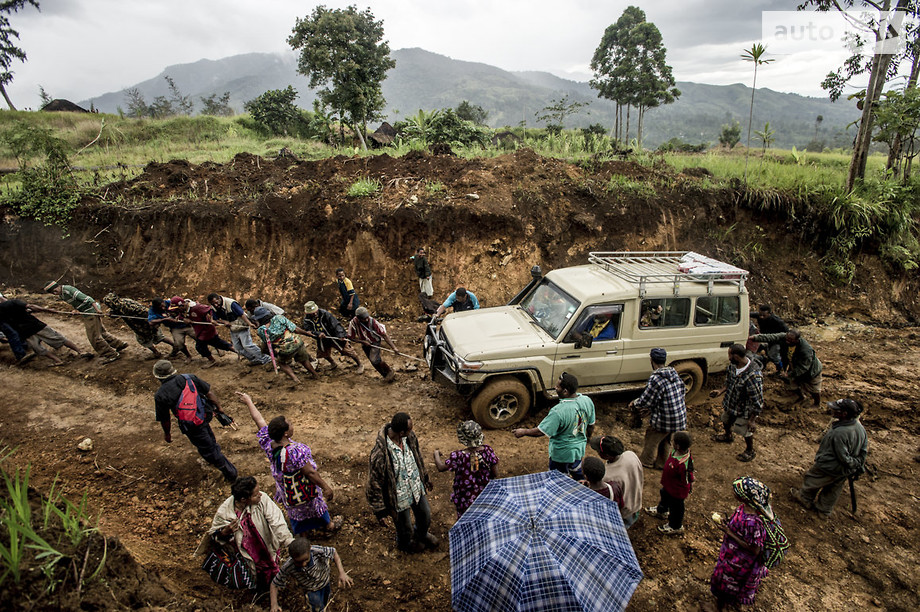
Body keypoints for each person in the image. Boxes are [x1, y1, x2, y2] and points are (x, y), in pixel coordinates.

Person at [237, 392, 343, 535]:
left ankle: (303, 533)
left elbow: (259, 420)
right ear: (285, 433)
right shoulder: (295, 451)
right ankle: (328, 525)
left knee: (295, 510)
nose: (293, 425)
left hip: (288, 489)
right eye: (290, 424)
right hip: (303, 487)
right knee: (313, 504)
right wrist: (325, 487)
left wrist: (249, 402)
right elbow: (310, 472)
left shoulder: (269, 442)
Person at [708, 477, 789, 611]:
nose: (734, 493)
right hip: (736, 557)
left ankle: (719, 608)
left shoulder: (753, 522)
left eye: (737, 492)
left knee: (727, 584)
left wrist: (729, 532)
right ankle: (732, 603)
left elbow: (755, 549)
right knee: (733, 584)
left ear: (744, 498)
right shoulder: (751, 510)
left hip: (739, 561)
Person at [152, 359, 238, 482]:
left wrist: (167, 433)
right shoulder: (189, 378)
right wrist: (219, 408)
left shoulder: (160, 394)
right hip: (204, 415)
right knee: (207, 437)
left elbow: (165, 419)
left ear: (158, 377)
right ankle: (213, 452)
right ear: (172, 370)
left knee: (207, 448)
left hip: (190, 424)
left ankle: (231, 473)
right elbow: (209, 393)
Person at [203, 476, 294, 591]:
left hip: (265, 545)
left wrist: (288, 541)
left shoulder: (263, 500)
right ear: (243, 499)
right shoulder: (225, 513)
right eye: (256, 494)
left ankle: (274, 589)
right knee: (255, 574)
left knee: (270, 565)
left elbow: (277, 521)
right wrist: (224, 532)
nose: (260, 494)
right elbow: (215, 536)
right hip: (246, 553)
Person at [366, 412, 438, 553]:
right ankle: (406, 545)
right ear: (401, 432)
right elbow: (373, 482)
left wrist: (425, 477)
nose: (412, 431)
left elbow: (417, 458)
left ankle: (421, 535)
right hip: (398, 497)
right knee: (404, 527)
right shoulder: (380, 453)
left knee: (425, 516)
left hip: (415, 487)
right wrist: (380, 510)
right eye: (409, 429)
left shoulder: (409, 438)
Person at [790, 398, 868, 517]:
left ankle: (804, 498)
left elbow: (843, 457)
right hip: (844, 469)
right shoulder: (859, 427)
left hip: (831, 465)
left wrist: (853, 463)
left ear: (844, 414)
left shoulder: (839, 433)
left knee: (813, 479)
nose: (832, 410)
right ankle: (823, 510)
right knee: (834, 489)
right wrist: (858, 465)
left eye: (836, 409)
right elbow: (863, 450)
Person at [512, 372, 596, 480]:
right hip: (579, 449)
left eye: (557, 386)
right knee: (578, 474)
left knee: (558, 479)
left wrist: (523, 432)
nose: (555, 388)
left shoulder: (558, 411)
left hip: (561, 454)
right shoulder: (587, 401)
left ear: (565, 391)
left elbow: (540, 431)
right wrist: (587, 439)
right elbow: (591, 425)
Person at [629, 348, 688, 469]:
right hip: (679, 417)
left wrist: (634, 403)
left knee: (652, 436)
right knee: (666, 439)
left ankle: (646, 461)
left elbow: (646, 400)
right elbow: (682, 391)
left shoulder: (656, 378)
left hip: (665, 419)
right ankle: (662, 463)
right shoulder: (674, 373)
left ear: (652, 360)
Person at [44, 280, 127, 364]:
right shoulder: (61, 295)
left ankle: (110, 354)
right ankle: (119, 344)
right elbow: (77, 303)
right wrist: (76, 310)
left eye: (55, 290)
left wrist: (97, 310)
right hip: (86, 312)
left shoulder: (69, 290)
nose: (54, 293)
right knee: (100, 332)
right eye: (52, 292)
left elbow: (89, 299)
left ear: (58, 286)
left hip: (91, 311)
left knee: (94, 336)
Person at [710, 344, 765, 462]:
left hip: (744, 409)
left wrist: (752, 420)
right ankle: (728, 436)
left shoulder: (753, 376)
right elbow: (729, 381)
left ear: (736, 356)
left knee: (745, 431)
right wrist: (720, 391)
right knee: (725, 419)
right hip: (731, 403)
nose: (728, 357)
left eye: (730, 355)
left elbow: (757, 401)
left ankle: (750, 450)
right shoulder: (733, 367)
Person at [433, 421, 499, 517]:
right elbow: (495, 473)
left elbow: (441, 467)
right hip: (485, 496)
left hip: (465, 497)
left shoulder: (458, 456)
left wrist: (436, 454)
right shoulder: (488, 451)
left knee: (466, 519)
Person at [269, 536, 353, 612]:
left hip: (325, 581)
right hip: (311, 590)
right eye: (298, 562)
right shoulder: (289, 566)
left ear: (310, 549)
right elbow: (274, 584)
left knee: (326, 598)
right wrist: (274, 605)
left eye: (306, 560)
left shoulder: (316, 551)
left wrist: (342, 573)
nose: (303, 564)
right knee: (317, 607)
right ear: (292, 558)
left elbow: (333, 552)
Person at [0, 297, 91, 365]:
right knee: (59, 338)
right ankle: (80, 351)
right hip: (35, 326)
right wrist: (47, 310)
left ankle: (57, 360)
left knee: (39, 349)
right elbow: (31, 307)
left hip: (24, 332)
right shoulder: (13, 302)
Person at [751, 328, 822, 406]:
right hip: (794, 365)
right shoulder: (786, 337)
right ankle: (801, 397)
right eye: (787, 338)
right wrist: (755, 338)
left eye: (790, 340)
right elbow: (771, 337)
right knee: (791, 384)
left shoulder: (806, 350)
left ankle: (817, 403)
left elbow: (804, 367)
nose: (787, 341)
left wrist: (789, 374)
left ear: (797, 340)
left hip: (811, 370)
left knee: (813, 389)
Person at [645, 431, 694, 535]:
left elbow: (688, 478)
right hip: (669, 485)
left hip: (677, 492)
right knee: (664, 496)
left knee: (676, 508)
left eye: (674, 442)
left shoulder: (683, 464)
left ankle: (675, 526)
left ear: (678, 446)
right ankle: (662, 511)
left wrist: (688, 488)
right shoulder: (675, 452)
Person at [252, 307, 319, 383]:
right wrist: (306, 333)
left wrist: (276, 353)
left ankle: (295, 379)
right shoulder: (279, 318)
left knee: (281, 363)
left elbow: (268, 344)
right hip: (297, 342)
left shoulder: (261, 330)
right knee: (304, 360)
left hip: (285, 349)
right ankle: (315, 374)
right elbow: (295, 329)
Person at [589, 435, 643, 528]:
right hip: (636, 502)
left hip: (624, 512)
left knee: (619, 530)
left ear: (606, 455)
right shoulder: (630, 455)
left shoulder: (608, 476)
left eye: (598, 451)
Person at [102, 293, 177, 359]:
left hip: (143, 325)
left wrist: (153, 321)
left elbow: (145, 312)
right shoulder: (122, 303)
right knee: (158, 336)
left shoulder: (127, 307)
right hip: (141, 325)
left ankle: (157, 353)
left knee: (146, 339)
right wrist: (111, 314)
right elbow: (116, 312)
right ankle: (174, 346)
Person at [208, 293, 270, 366]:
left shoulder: (231, 303)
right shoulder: (214, 307)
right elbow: (215, 319)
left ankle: (266, 358)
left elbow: (242, 314)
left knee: (247, 345)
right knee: (238, 348)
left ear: (219, 298)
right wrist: (221, 321)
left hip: (241, 326)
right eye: (213, 303)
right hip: (233, 328)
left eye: (216, 302)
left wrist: (249, 323)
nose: (215, 305)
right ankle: (254, 359)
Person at [301, 301, 362, 372]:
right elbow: (309, 331)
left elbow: (335, 324)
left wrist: (341, 335)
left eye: (315, 311)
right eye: (312, 313)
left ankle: (360, 364)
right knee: (323, 353)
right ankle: (333, 363)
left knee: (348, 351)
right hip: (323, 340)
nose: (315, 314)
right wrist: (318, 334)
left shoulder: (325, 314)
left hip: (334, 336)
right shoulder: (307, 320)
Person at [347, 307, 397, 382]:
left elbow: (384, 335)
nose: (366, 320)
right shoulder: (353, 323)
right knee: (373, 361)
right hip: (364, 343)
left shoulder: (372, 321)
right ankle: (385, 376)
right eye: (364, 319)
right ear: (358, 318)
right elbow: (350, 337)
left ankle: (389, 371)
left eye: (367, 317)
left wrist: (394, 348)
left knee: (374, 360)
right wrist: (362, 342)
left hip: (375, 341)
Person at [188, 301, 236, 367]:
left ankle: (212, 360)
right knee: (218, 343)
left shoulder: (197, 308)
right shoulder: (181, 310)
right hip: (200, 331)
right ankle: (240, 352)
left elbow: (210, 309)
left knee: (202, 346)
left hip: (206, 330)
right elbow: (179, 316)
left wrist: (212, 319)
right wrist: (183, 319)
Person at [754, 304, 788, 373]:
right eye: (760, 315)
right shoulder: (759, 316)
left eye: (764, 315)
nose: (761, 317)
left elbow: (786, 333)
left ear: (770, 314)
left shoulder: (778, 321)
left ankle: (780, 369)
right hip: (765, 338)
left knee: (773, 355)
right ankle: (763, 361)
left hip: (777, 341)